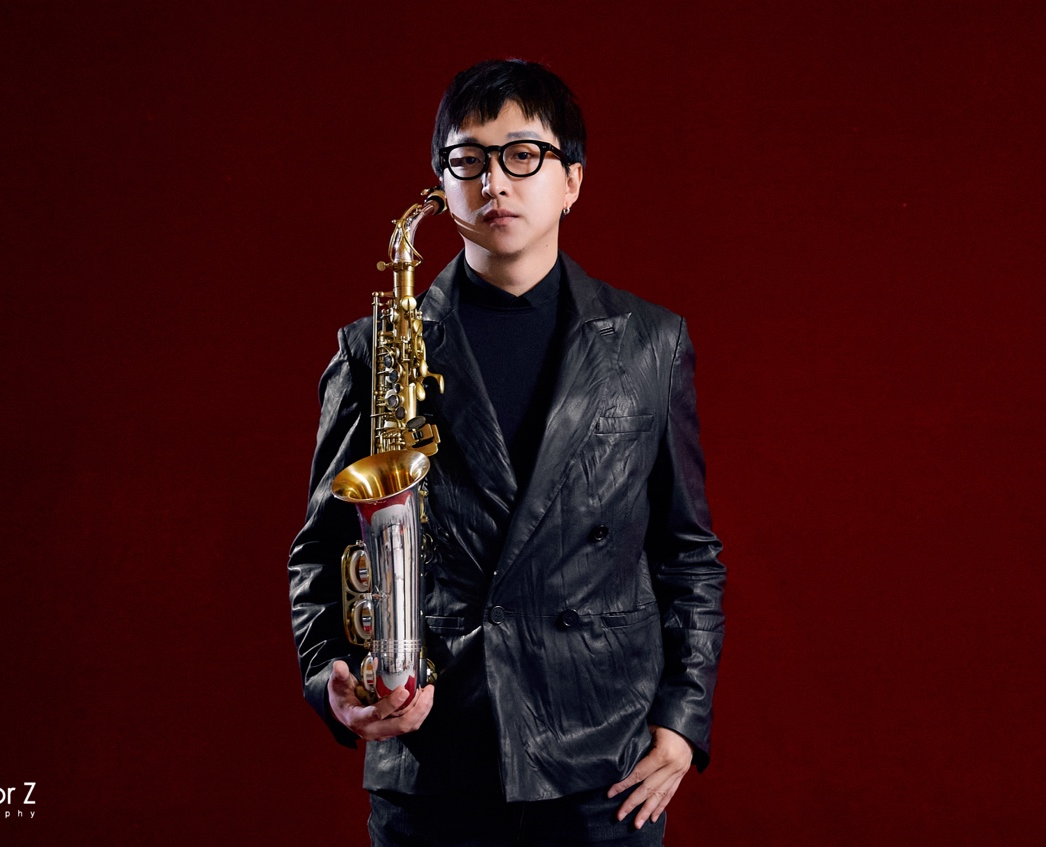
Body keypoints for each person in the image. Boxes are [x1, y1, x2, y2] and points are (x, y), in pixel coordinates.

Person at [288, 58, 726, 846]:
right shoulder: (371, 350)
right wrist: (332, 681)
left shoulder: (653, 344)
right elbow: (319, 554)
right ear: (442, 182)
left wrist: (682, 720)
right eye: (469, 159)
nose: (495, 182)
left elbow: (687, 551)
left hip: (603, 765)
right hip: (434, 763)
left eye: (523, 154)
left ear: (573, 181)